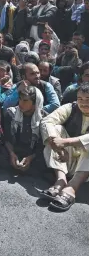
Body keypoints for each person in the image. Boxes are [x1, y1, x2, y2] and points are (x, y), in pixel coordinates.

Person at [39, 83, 89, 211]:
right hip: (66, 159)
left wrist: (66, 142)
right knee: (55, 129)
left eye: (88, 99)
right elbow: (47, 121)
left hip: (86, 168)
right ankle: (61, 180)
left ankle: (71, 188)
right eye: (80, 99)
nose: (83, 103)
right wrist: (58, 147)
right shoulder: (71, 107)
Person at [4, 86, 46, 174]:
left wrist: (30, 158)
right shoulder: (11, 113)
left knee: (47, 158)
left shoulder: (44, 119)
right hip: (14, 150)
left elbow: (43, 146)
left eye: (25, 100)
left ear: (35, 103)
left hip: (33, 154)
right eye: (20, 99)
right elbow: (6, 138)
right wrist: (12, 153)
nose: (21, 103)